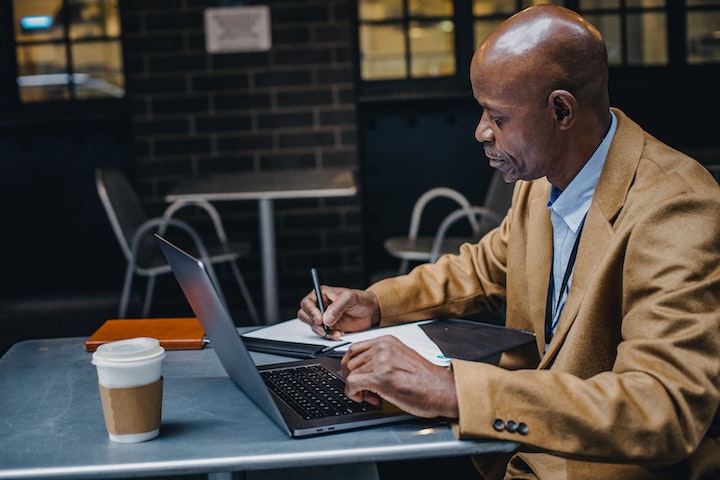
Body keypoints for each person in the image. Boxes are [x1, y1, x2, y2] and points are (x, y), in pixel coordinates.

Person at [298, 5, 720, 480]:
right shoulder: (542, 179)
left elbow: (662, 408)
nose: (480, 131)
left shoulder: (675, 207)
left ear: (562, 110)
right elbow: (483, 268)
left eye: (498, 117)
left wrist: (455, 390)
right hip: (510, 450)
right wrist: (375, 303)